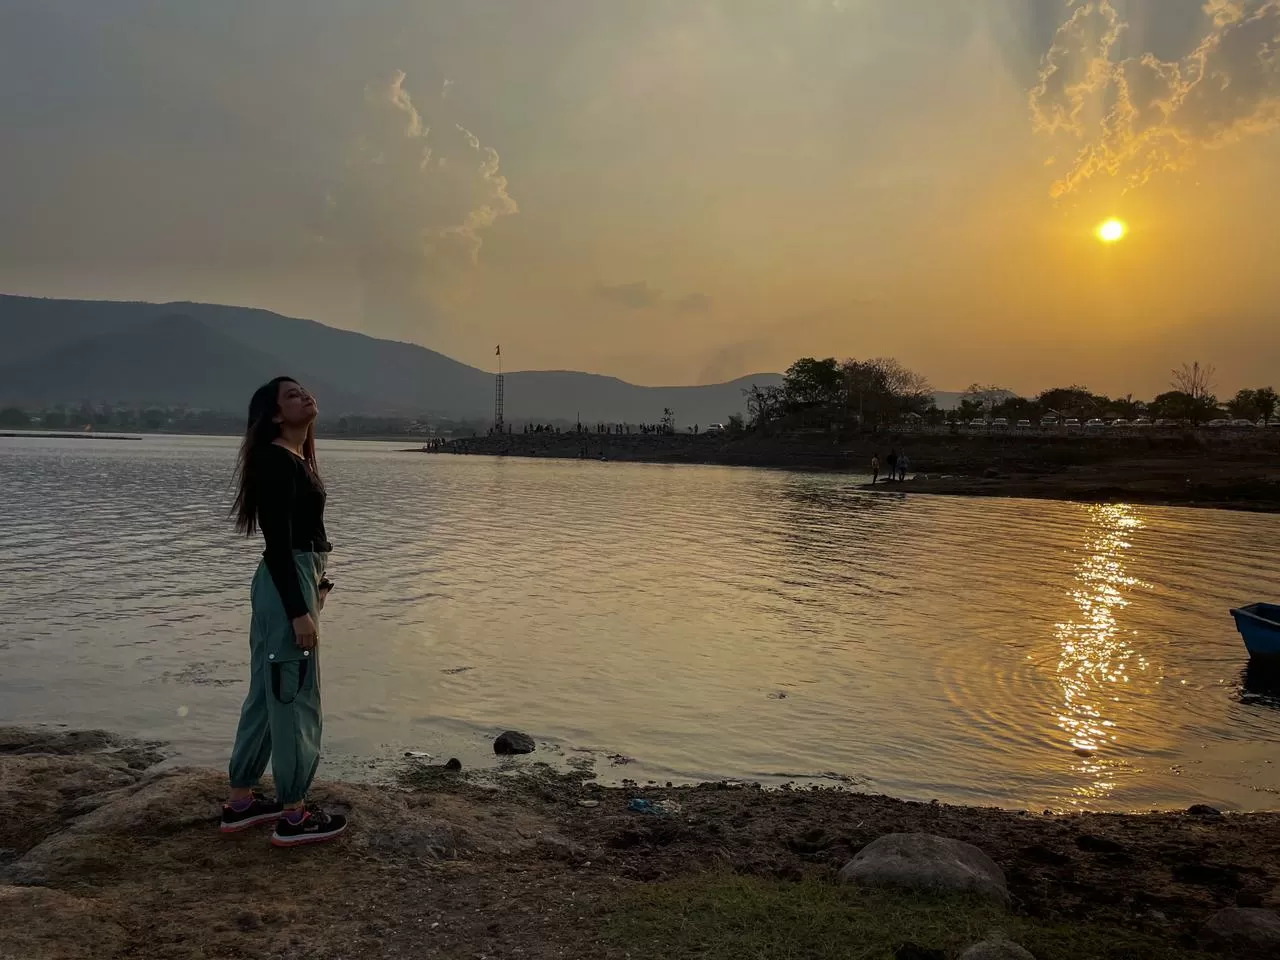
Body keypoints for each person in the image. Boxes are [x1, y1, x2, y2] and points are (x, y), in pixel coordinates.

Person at [223, 377, 347, 847]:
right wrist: (299, 611)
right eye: (292, 395)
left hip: (291, 582)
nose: (306, 396)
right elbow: (278, 546)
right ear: (276, 415)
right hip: (285, 582)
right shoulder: (277, 460)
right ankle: (293, 814)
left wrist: (313, 592)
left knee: (268, 690)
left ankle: (241, 800)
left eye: (305, 391)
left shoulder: (293, 458)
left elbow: (297, 542)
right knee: (294, 696)